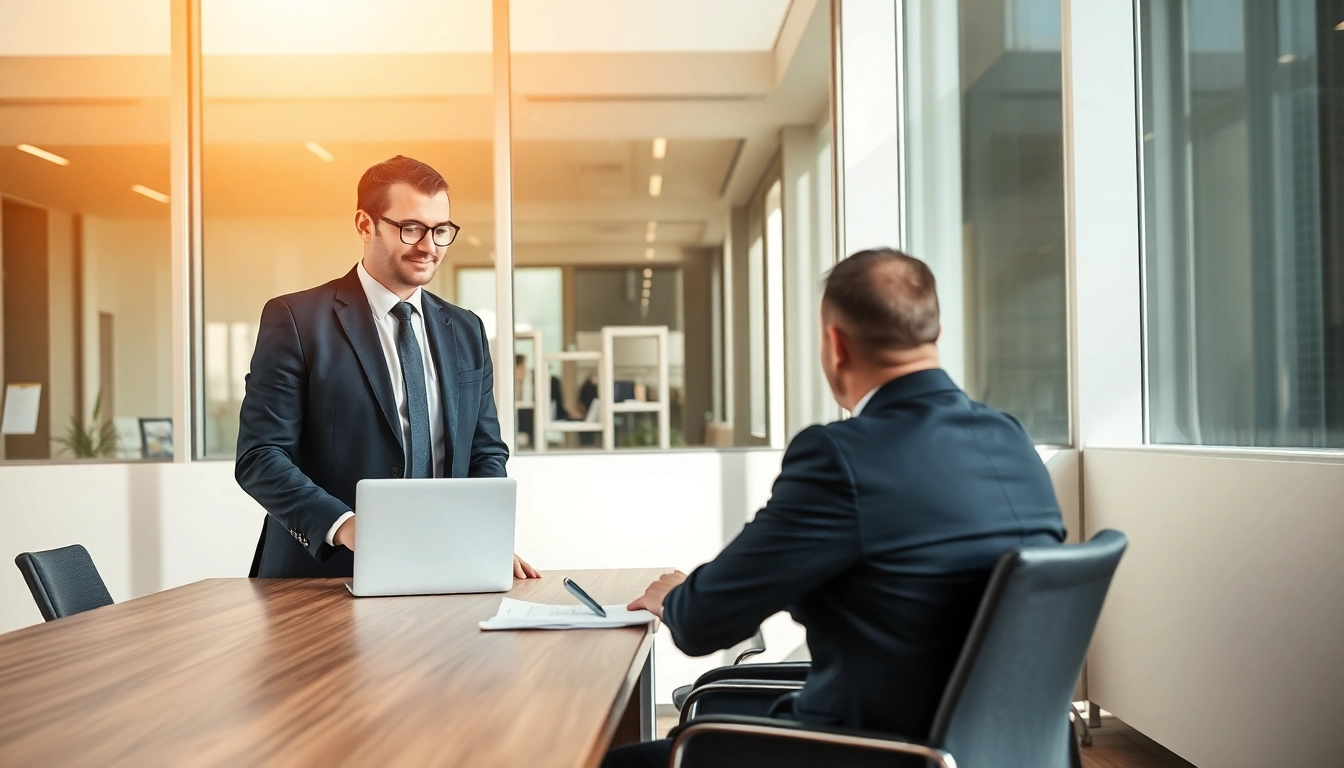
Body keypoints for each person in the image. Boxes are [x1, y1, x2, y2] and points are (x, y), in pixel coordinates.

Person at [608, 248, 1066, 767]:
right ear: (935, 336)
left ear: (835, 345)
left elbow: (702, 623)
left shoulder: (841, 456)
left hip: (866, 752)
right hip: (1001, 752)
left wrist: (676, 596)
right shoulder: (1010, 439)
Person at [236, 155, 539, 581]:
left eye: (440, 230)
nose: (429, 246)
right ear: (365, 225)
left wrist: (483, 536)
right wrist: (347, 526)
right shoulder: (297, 320)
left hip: (443, 567)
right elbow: (260, 456)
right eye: (410, 228)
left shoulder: (466, 330)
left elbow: (484, 452)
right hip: (320, 580)